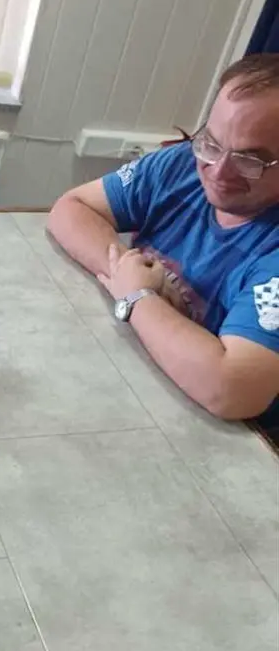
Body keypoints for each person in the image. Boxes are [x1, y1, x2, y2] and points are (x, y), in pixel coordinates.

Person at [47, 53, 279, 430]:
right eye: (211, 143)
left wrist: (138, 298)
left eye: (249, 161)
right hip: (142, 368)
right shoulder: (180, 165)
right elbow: (70, 208)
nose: (217, 171)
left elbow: (231, 390)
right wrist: (127, 273)